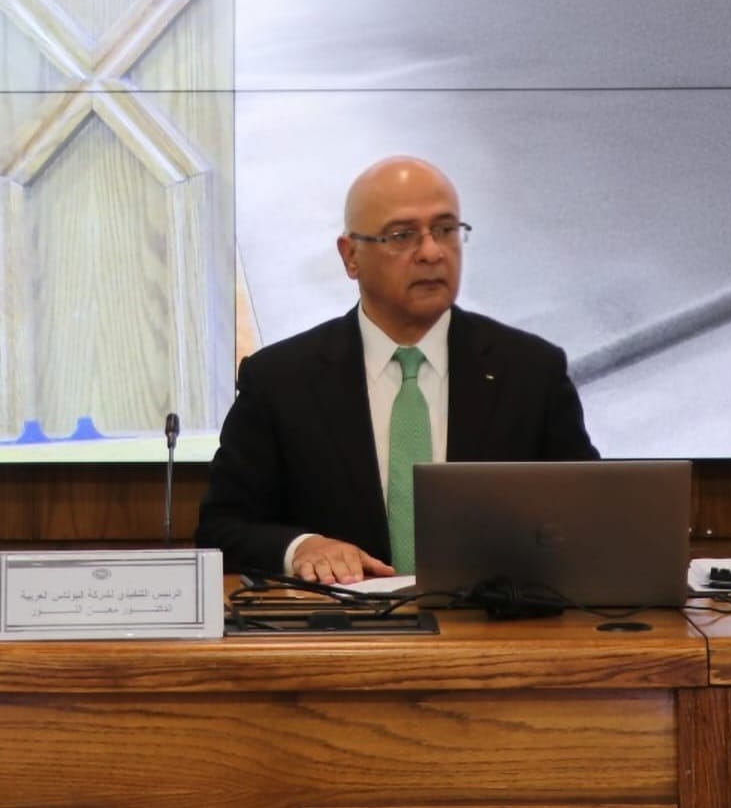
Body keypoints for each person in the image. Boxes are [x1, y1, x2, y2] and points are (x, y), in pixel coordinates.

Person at [196, 156, 598, 583]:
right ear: (350, 256)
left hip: (490, 619)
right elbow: (221, 529)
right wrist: (302, 548)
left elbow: (592, 516)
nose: (431, 252)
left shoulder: (531, 372)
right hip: (344, 621)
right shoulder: (281, 381)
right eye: (402, 235)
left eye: (445, 230)